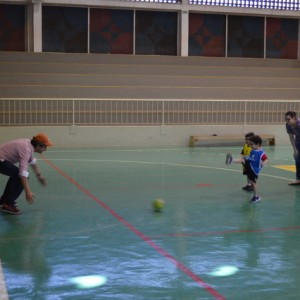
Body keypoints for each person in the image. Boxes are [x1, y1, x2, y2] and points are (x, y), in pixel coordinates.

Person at [0, 133, 53, 215]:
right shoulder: (26, 150)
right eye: (44, 146)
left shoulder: (29, 145)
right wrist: (28, 192)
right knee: (19, 175)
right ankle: (8, 204)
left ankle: (3, 201)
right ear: (39, 145)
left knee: (15, 174)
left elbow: (32, 161)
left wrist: (39, 176)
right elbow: (23, 174)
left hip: (2, 159)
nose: (45, 149)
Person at [226, 135, 268, 203]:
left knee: (253, 183)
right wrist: (247, 157)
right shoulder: (253, 150)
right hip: (250, 166)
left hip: (255, 170)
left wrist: (263, 163)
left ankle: (256, 196)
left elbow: (266, 159)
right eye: (250, 144)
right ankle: (231, 160)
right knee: (243, 160)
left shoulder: (261, 153)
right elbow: (252, 158)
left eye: (252, 144)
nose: (251, 146)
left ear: (258, 144)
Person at [285, 111, 300, 185]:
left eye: (288, 119)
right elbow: (291, 137)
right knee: (297, 160)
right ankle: (298, 179)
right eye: (286, 120)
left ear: (294, 118)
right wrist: (295, 150)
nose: (287, 121)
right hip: (298, 141)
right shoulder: (288, 125)